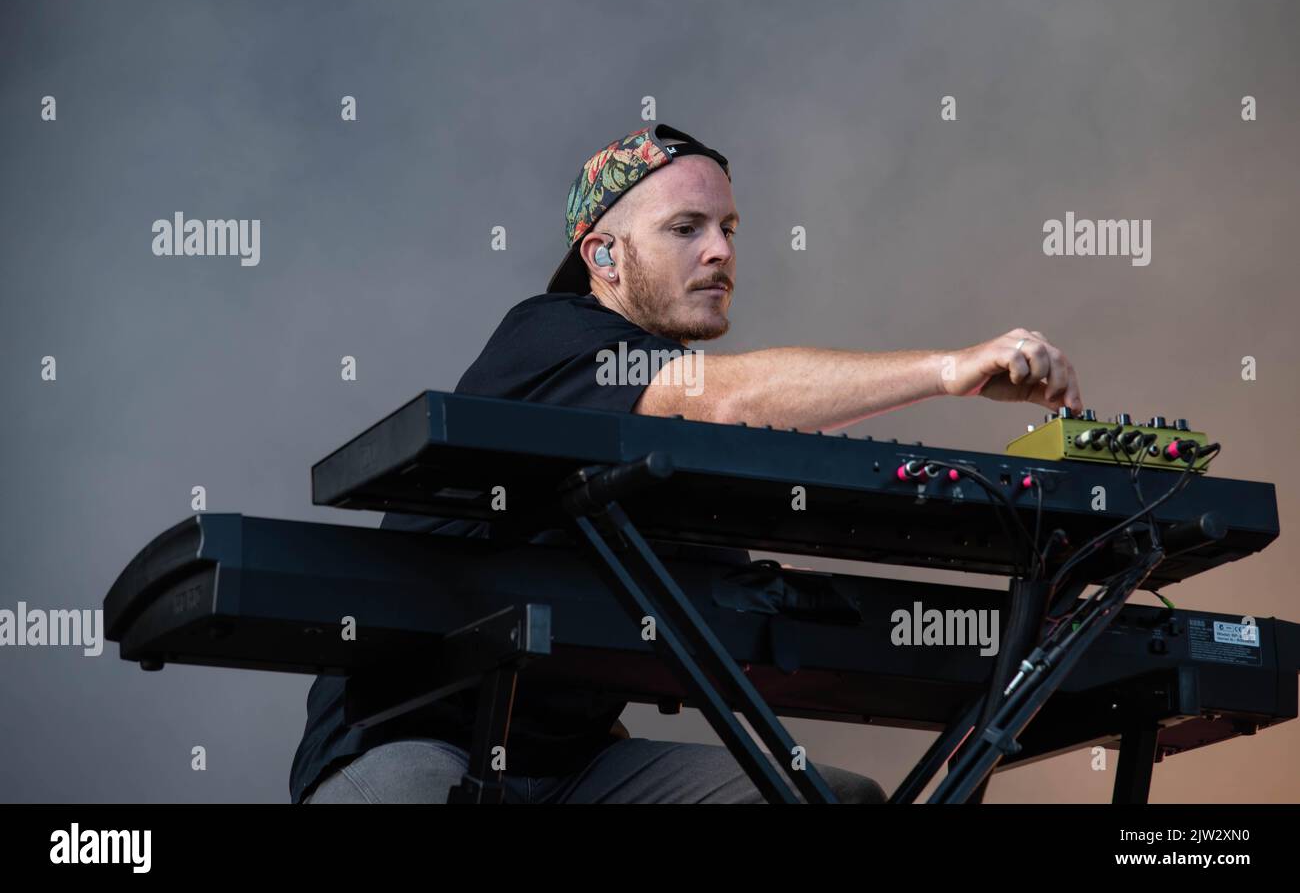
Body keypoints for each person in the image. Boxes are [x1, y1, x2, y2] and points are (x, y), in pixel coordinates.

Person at [291, 123, 1083, 804]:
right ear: (603, 254)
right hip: (414, 745)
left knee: (836, 799)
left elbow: (736, 603)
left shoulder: (675, 424)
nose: (721, 251)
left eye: (731, 228)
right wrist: (949, 370)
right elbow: (721, 396)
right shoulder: (551, 335)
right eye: (686, 228)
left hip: (579, 765)